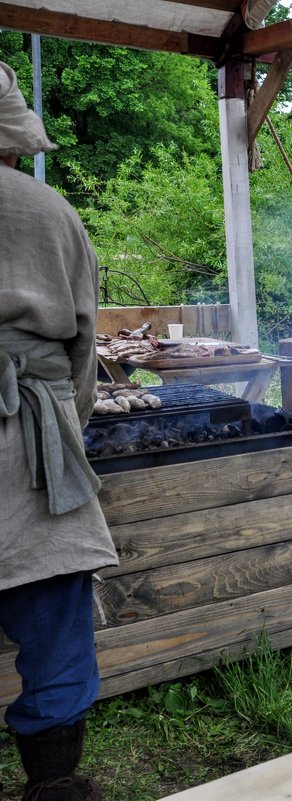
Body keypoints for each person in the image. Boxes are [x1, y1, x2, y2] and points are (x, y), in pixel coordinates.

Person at [0, 61, 118, 801]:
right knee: (56, 624)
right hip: (35, 449)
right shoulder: (51, 212)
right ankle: (54, 786)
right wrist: (63, 430)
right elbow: (82, 356)